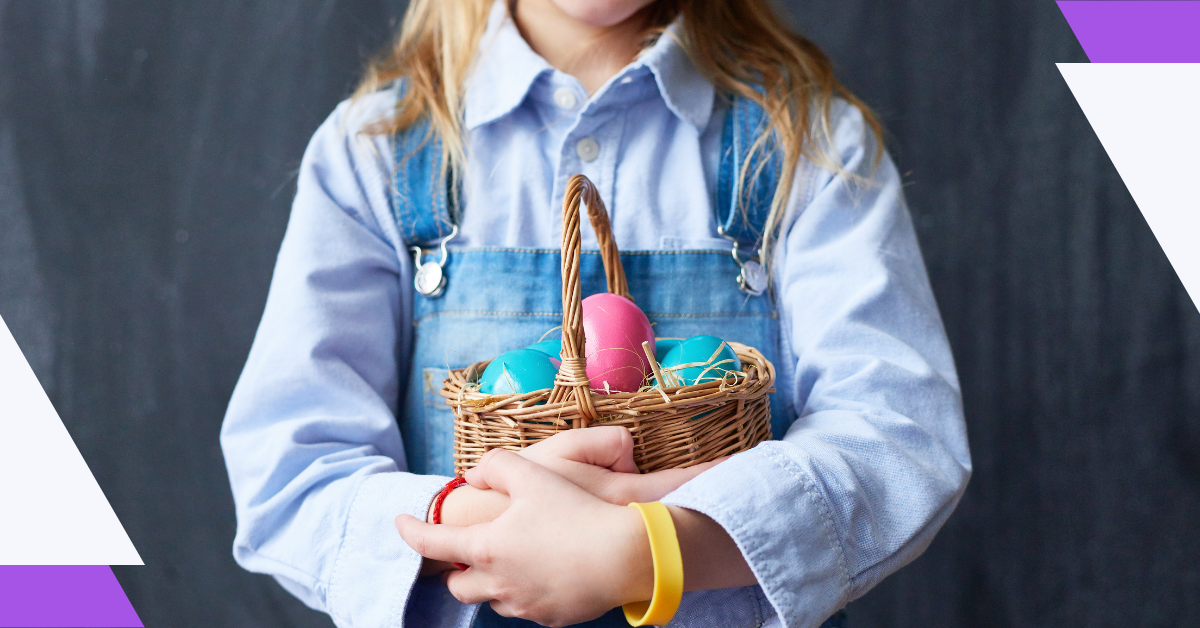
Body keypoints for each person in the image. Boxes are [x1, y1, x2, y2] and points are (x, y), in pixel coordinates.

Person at [220, 0, 972, 626]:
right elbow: (290, 471)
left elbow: (896, 439)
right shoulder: (378, 153)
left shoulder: (803, 144)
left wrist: (643, 546)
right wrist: (492, 517)